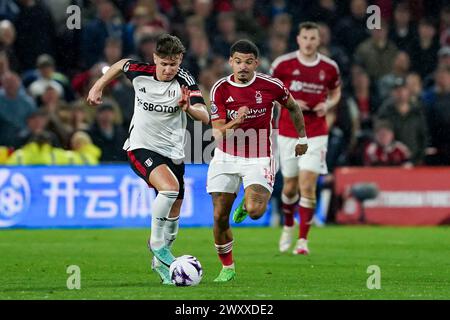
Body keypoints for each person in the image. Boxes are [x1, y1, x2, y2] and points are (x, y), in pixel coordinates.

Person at [87, 34, 209, 284]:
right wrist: (98, 86)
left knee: (175, 211)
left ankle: (160, 263)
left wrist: (189, 109)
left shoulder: (185, 81)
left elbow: (205, 117)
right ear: (155, 59)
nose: (167, 69)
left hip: (173, 152)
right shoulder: (140, 72)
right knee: (170, 189)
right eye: (163, 63)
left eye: (173, 64)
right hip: (140, 147)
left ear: (180, 61)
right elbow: (121, 64)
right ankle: (157, 246)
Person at [208, 39, 308, 282]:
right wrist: (237, 121)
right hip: (226, 156)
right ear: (230, 62)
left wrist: (302, 137)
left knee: (254, 212)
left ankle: (246, 202)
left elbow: (294, 107)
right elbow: (217, 132)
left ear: (257, 63)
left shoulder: (271, 86)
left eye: (248, 62)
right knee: (220, 217)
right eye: (238, 61)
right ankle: (227, 267)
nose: (243, 67)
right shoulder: (219, 89)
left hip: (259, 157)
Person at [270, 22, 341, 255]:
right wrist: (289, 102)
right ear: (298, 39)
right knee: (289, 187)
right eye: (305, 38)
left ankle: (302, 241)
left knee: (307, 184)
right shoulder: (282, 65)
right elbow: (270, 93)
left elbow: (335, 91)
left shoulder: (329, 67)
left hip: (316, 132)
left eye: (313, 38)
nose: (309, 42)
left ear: (318, 41)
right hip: (289, 132)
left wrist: (327, 104)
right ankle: (288, 225)